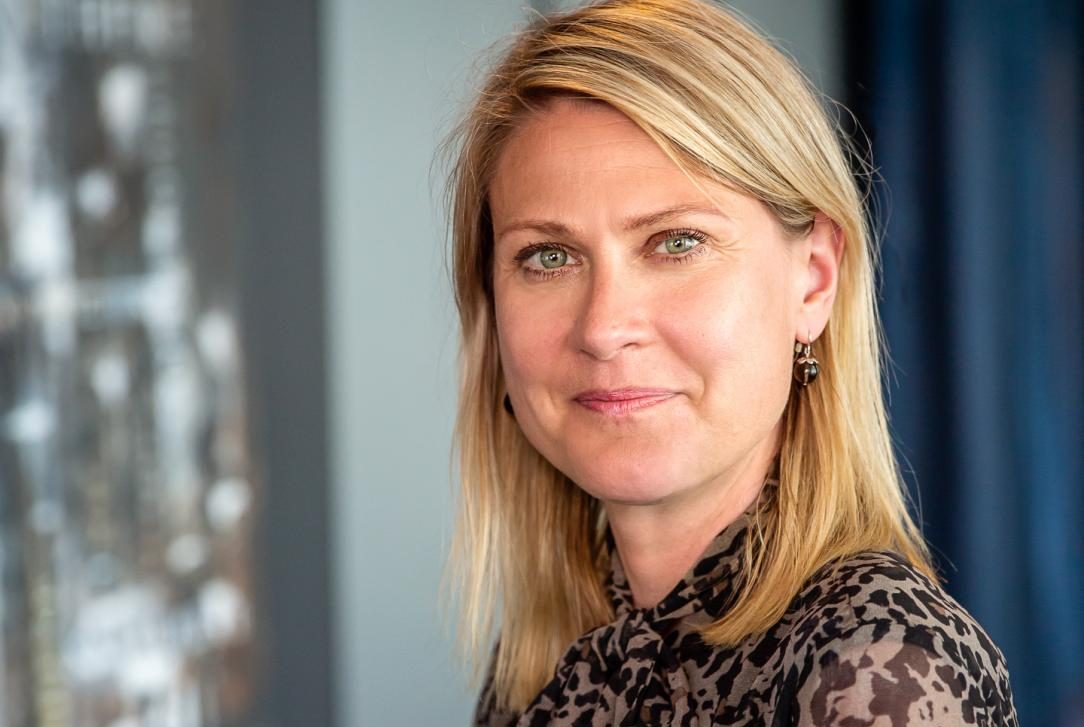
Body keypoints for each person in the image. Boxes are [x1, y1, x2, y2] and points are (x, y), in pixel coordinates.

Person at [444, 0, 1018, 724]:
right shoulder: (547, 664)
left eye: (676, 243)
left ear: (813, 280)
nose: (604, 328)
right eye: (549, 257)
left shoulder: (879, 671)